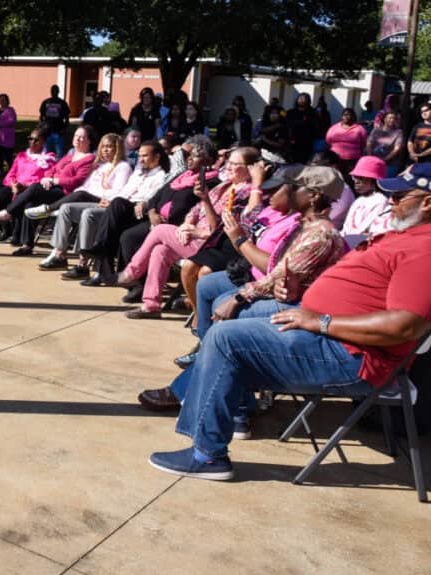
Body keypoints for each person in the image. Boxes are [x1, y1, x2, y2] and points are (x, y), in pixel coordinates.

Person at [148, 163, 431, 481]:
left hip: (352, 356)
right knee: (224, 324)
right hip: (326, 333)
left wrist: (320, 321)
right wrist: (306, 295)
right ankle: (219, 416)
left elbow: (406, 326)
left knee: (225, 339)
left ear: (427, 202)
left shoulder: (424, 249)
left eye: (399, 196)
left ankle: (208, 454)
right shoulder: (404, 237)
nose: (389, 202)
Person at [140, 166, 347, 428]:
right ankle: (233, 401)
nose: (288, 192)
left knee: (228, 321)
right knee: (216, 300)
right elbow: (280, 273)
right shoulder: (304, 226)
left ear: (315, 196)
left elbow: (278, 274)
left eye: (295, 188)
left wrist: (238, 297)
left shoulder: (321, 234)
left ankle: (210, 400)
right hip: (286, 296)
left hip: (300, 309)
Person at [117, 146, 260, 319]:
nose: (228, 167)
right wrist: (186, 224)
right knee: (160, 251)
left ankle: (133, 272)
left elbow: (220, 230)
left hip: (209, 244)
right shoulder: (224, 186)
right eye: (228, 162)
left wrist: (199, 226)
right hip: (193, 236)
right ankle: (151, 305)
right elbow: (196, 209)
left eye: (235, 164)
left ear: (250, 168)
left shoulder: (246, 194)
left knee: (161, 230)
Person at [30, 132, 134, 275]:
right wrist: (77, 193)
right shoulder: (101, 166)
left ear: (118, 149)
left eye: (109, 146)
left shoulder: (123, 167)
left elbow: (119, 190)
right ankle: (60, 254)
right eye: (103, 146)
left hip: (105, 203)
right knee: (66, 208)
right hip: (90, 198)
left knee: (86, 213)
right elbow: (86, 186)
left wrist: (104, 199)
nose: (105, 149)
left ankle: (82, 263)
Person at [0, 126, 95, 255]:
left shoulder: (88, 159)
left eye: (82, 137)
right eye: (76, 135)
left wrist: (54, 181)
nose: (78, 139)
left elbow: (76, 181)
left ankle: (7, 213)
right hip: (52, 188)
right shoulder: (69, 156)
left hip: (66, 193)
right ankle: (27, 245)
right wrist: (47, 178)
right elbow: (53, 170)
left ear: (90, 140)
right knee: (30, 204)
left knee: (35, 187)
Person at [80, 140, 170, 285]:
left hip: (141, 213)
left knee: (115, 213)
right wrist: (110, 201)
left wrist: (143, 203)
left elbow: (153, 198)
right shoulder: (138, 173)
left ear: (157, 157)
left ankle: (101, 257)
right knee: (109, 218)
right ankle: (106, 273)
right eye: (140, 156)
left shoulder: (162, 176)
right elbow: (124, 192)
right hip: (124, 208)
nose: (141, 159)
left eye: (145, 156)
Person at [0, 125, 57, 242]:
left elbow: (47, 179)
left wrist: (25, 187)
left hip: (29, 190)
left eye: (36, 140)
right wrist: (13, 185)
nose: (32, 142)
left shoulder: (48, 159)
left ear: (43, 142)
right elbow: (10, 175)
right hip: (15, 186)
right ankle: (5, 229)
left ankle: (17, 234)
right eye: (30, 139)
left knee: (22, 200)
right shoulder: (21, 156)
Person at [341, 156, 390, 248]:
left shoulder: (380, 200)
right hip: (346, 241)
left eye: (361, 178)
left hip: (359, 245)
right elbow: (346, 227)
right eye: (354, 177)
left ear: (374, 181)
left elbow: (363, 230)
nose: (356, 182)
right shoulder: (359, 200)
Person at [325, 108, 367, 174]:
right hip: (335, 160)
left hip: (352, 160)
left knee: (349, 179)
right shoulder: (334, 128)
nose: (346, 117)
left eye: (348, 115)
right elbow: (328, 141)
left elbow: (363, 144)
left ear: (353, 116)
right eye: (344, 115)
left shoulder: (360, 129)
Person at [366, 110, 406, 177]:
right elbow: (369, 143)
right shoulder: (376, 130)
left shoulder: (398, 132)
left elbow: (397, 148)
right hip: (373, 161)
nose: (392, 120)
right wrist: (370, 157)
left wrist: (384, 160)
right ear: (384, 119)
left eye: (394, 118)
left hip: (390, 164)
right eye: (390, 118)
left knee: (384, 182)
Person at [284, 92, 320, 162]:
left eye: (303, 98)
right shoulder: (290, 112)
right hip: (290, 143)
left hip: (305, 143)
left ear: (308, 101)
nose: (300, 100)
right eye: (299, 98)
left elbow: (316, 128)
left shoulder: (312, 113)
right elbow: (285, 125)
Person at [39, 85, 70, 157]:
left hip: (58, 132)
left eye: (56, 90)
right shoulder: (46, 102)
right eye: (53, 90)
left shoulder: (62, 103)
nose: (54, 92)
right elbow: (41, 117)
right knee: (46, 154)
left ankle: (59, 167)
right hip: (47, 132)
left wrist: (64, 129)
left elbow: (67, 118)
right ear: (51, 92)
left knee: (59, 154)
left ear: (58, 92)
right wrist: (42, 128)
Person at [408, 101, 431, 166]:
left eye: (426, 110)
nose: (424, 113)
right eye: (422, 112)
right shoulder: (417, 126)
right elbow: (410, 141)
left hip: (428, 163)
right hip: (413, 161)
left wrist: (420, 155)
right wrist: (412, 153)